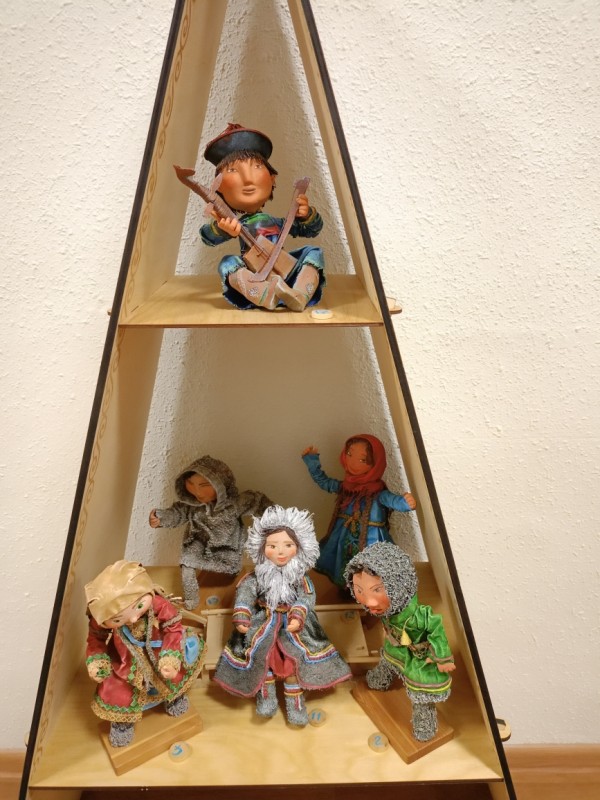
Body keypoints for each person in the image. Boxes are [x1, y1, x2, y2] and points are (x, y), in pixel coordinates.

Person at [213, 505, 351, 726]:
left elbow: (307, 596)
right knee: (261, 657)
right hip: (263, 621)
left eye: (288, 545)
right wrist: (243, 613)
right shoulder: (257, 576)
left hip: (293, 625)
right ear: (262, 547)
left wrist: (298, 614)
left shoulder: (300, 577)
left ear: (299, 546)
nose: (280, 552)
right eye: (272, 546)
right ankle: (266, 696)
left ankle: (295, 703)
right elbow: (246, 592)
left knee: (294, 662)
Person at [199, 122, 326, 311]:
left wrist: (307, 215)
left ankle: (299, 294)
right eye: (233, 170)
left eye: (257, 166)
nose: (248, 179)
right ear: (219, 187)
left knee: (314, 252)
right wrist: (221, 228)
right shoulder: (235, 224)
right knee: (227, 263)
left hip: (286, 271)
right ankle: (266, 295)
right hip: (255, 275)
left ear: (272, 178)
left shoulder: (276, 223)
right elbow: (207, 236)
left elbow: (311, 230)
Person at [84, 560, 204, 747]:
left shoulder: (156, 602)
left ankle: (174, 697)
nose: (133, 619)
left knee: (171, 676)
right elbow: (95, 638)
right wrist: (97, 659)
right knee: (119, 691)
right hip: (125, 660)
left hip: (159, 651)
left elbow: (173, 626)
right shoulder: (100, 619)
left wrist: (170, 655)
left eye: (139, 607)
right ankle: (122, 722)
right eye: (118, 619)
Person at [344, 542, 455, 742]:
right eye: (359, 590)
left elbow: (437, 631)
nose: (369, 601)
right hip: (395, 647)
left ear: (399, 585)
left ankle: (425, 721)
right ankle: (380, 680)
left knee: (421, 691)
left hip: (420, 658)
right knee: (388, 661)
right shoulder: (386, 610)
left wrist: (443, 658)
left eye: (377, 590)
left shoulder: (420, 616)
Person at [149, 455, 272, 610]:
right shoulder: (192, 506)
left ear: (221, 485)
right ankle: (191, 600)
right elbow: (177, 513)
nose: (197, 491)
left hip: (226, 546)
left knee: (231, 571)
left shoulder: (234, 505)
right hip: (197, 542)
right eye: (190, 484)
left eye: (204, 485)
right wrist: (161, 518)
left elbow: (257, 501)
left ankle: (234, 590)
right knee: (187, 563)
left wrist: (277, 519)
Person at [301, 434, 416, 588]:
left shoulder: (377, 492)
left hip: (371, 539)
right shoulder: (345, 487)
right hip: (343, 536)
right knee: (341, 563)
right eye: (349, 454)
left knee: (371, 568)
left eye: (362, 460)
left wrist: (405, 502)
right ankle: (346, 588)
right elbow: (324, 482)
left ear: (376, 463)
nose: (353, 463)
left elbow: (392, 500)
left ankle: (368, 591)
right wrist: (312, 461)